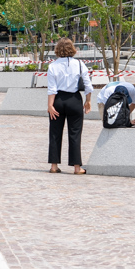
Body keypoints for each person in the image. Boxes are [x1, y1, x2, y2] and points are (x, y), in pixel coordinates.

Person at [46, 38, 94, 176]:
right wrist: (88, 101)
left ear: (57, 50)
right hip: (74, 99)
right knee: (75, 133)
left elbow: (52, 88)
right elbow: (88, 85)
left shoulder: (53, 66)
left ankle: (54, 166)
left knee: (55, 133)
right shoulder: (79, 64)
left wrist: (50, 105)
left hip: (58, 100)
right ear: (72, 49)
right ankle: (77, 167)